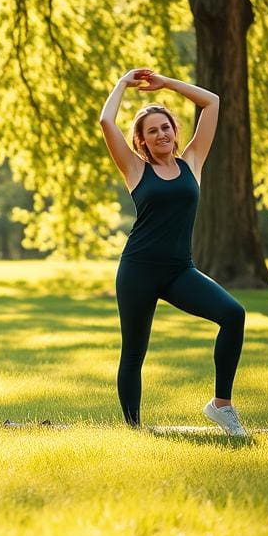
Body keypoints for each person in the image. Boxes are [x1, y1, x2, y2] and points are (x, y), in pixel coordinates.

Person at [99, 68, 247, 435]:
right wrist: (122, 83)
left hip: (180, 270)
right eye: (152, 131)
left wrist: (166, 83)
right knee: (134, 353)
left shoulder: (192, 162)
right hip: (138, 271)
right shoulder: (135, 169)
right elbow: (105, 120)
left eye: (166, 127)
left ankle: (221, 406)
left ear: (174, 131)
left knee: (233, 314)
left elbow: (211, 101)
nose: (161, 134)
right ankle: (134, 430)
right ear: (142, 141)